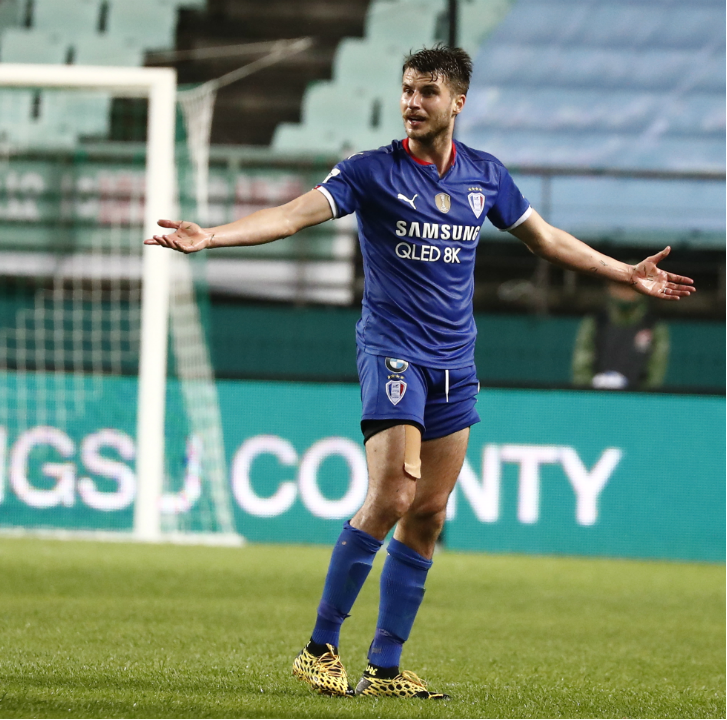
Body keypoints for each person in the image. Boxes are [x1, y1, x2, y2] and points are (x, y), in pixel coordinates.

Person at [146, 45, 694, 699]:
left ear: (457, 101)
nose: (412, 101)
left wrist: (625, 273)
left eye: (427, 91)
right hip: (393, 352)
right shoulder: (370, 171)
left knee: (429, 513)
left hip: (455, 363)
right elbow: (292, 215)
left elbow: (546, 238)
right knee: (395, 495)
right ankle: (320, 647)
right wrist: (213, 235)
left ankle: (383, 668)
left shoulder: (486, 176)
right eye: (407, 89)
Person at [572, 280, 670, 391]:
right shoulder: (595, 322)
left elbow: (656, 372)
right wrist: (588, 392)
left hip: (638, 401)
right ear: (609, 288)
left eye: (632, 287)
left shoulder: (654, 326)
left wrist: (644, 398)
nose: (625, 292)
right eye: (620, 286)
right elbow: (581, 366)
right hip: (597, 398)